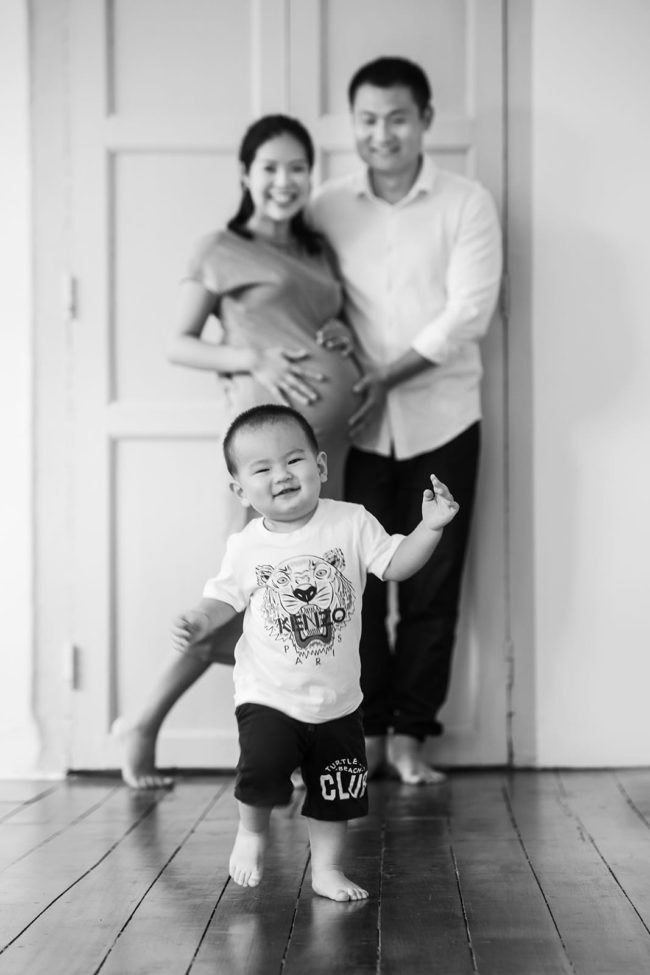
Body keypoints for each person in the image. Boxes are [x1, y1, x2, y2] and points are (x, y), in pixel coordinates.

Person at [115, 115, 361, 788]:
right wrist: (250, 355)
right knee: (245, 596)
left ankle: (295, 746)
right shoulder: (220, 248)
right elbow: (178, 341)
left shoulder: (317, 249)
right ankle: (142, 724)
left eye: (297, 168)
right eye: (270, 168)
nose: (285, 181)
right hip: (264, 456)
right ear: (246, 175)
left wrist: (340, 336)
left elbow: (317, 321)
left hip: (323, 451)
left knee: (303, 604)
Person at [172, 404, 458, 900]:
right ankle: (252, 833)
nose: (281, 475)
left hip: (338, 701)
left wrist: (429, 528)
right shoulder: (246, 546)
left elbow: (395, 565)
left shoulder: (351, 522)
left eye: (293, 460)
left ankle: (326, 870)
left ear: (321, 466)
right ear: (240, 491)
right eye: (262, 469)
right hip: (268, 694)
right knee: (262, 767)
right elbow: (223, 597)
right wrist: (198, 619)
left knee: (334, 792)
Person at [308, 57, 503, 784]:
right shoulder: (326, 205)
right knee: (354, 584)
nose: (381, 133)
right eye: (367, 119)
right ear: (353, 124)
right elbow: (308, 292)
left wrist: (384, 376)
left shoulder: (466, 202)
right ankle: (365, 729)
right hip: (353, 429)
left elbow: (468, 313)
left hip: (443, 418)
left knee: (432, 586)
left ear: (424, 119)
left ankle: (411, 737)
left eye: (396, 118)